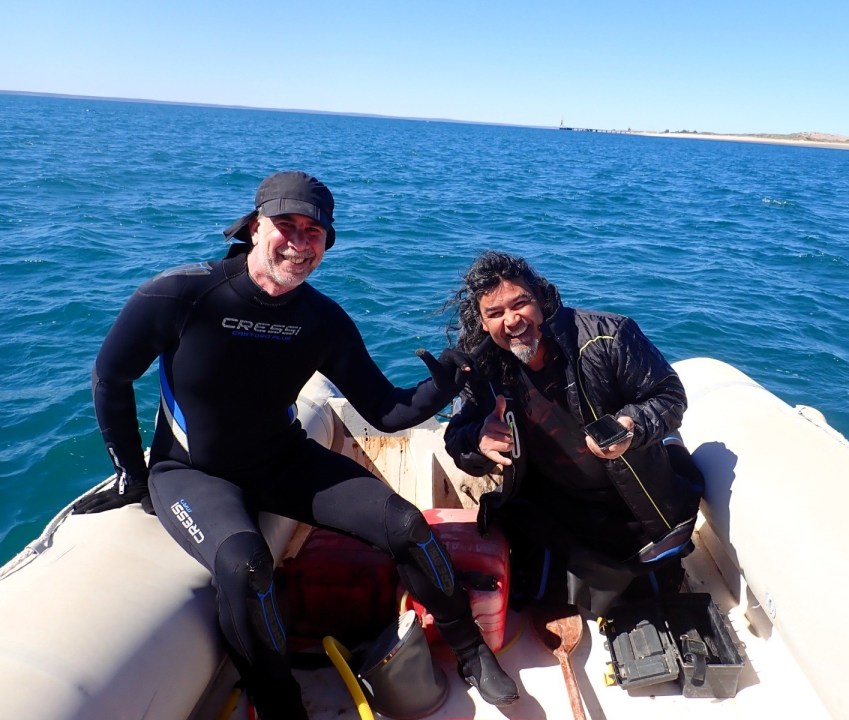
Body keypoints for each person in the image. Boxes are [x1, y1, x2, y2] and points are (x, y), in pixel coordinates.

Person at [72, 172, 518, 718]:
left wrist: (442, 385)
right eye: (287, 225)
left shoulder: (321, 320)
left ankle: (470, 649)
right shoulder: (182, 294)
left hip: (282, 460)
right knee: (246, 566)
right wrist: (130, 472)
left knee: (405, 524)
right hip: (191, 472)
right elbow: (110, 376)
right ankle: (280, 704)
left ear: (327, 242)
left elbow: (386, 412)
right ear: (255, 227)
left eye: (315, 232)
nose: (300, 243)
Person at [443, 251, 704, 617]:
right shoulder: (483, 368)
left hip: (636, 503)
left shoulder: (608, 336)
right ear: (484, 324)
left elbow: (670, 396)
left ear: (540, 299)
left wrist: (631, 427)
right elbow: (457, 438)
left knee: (652, 595)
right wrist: (478, 439)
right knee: (535, 601)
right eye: (496, 313)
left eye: (520, 303)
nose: (512, 320)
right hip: (555, 506)